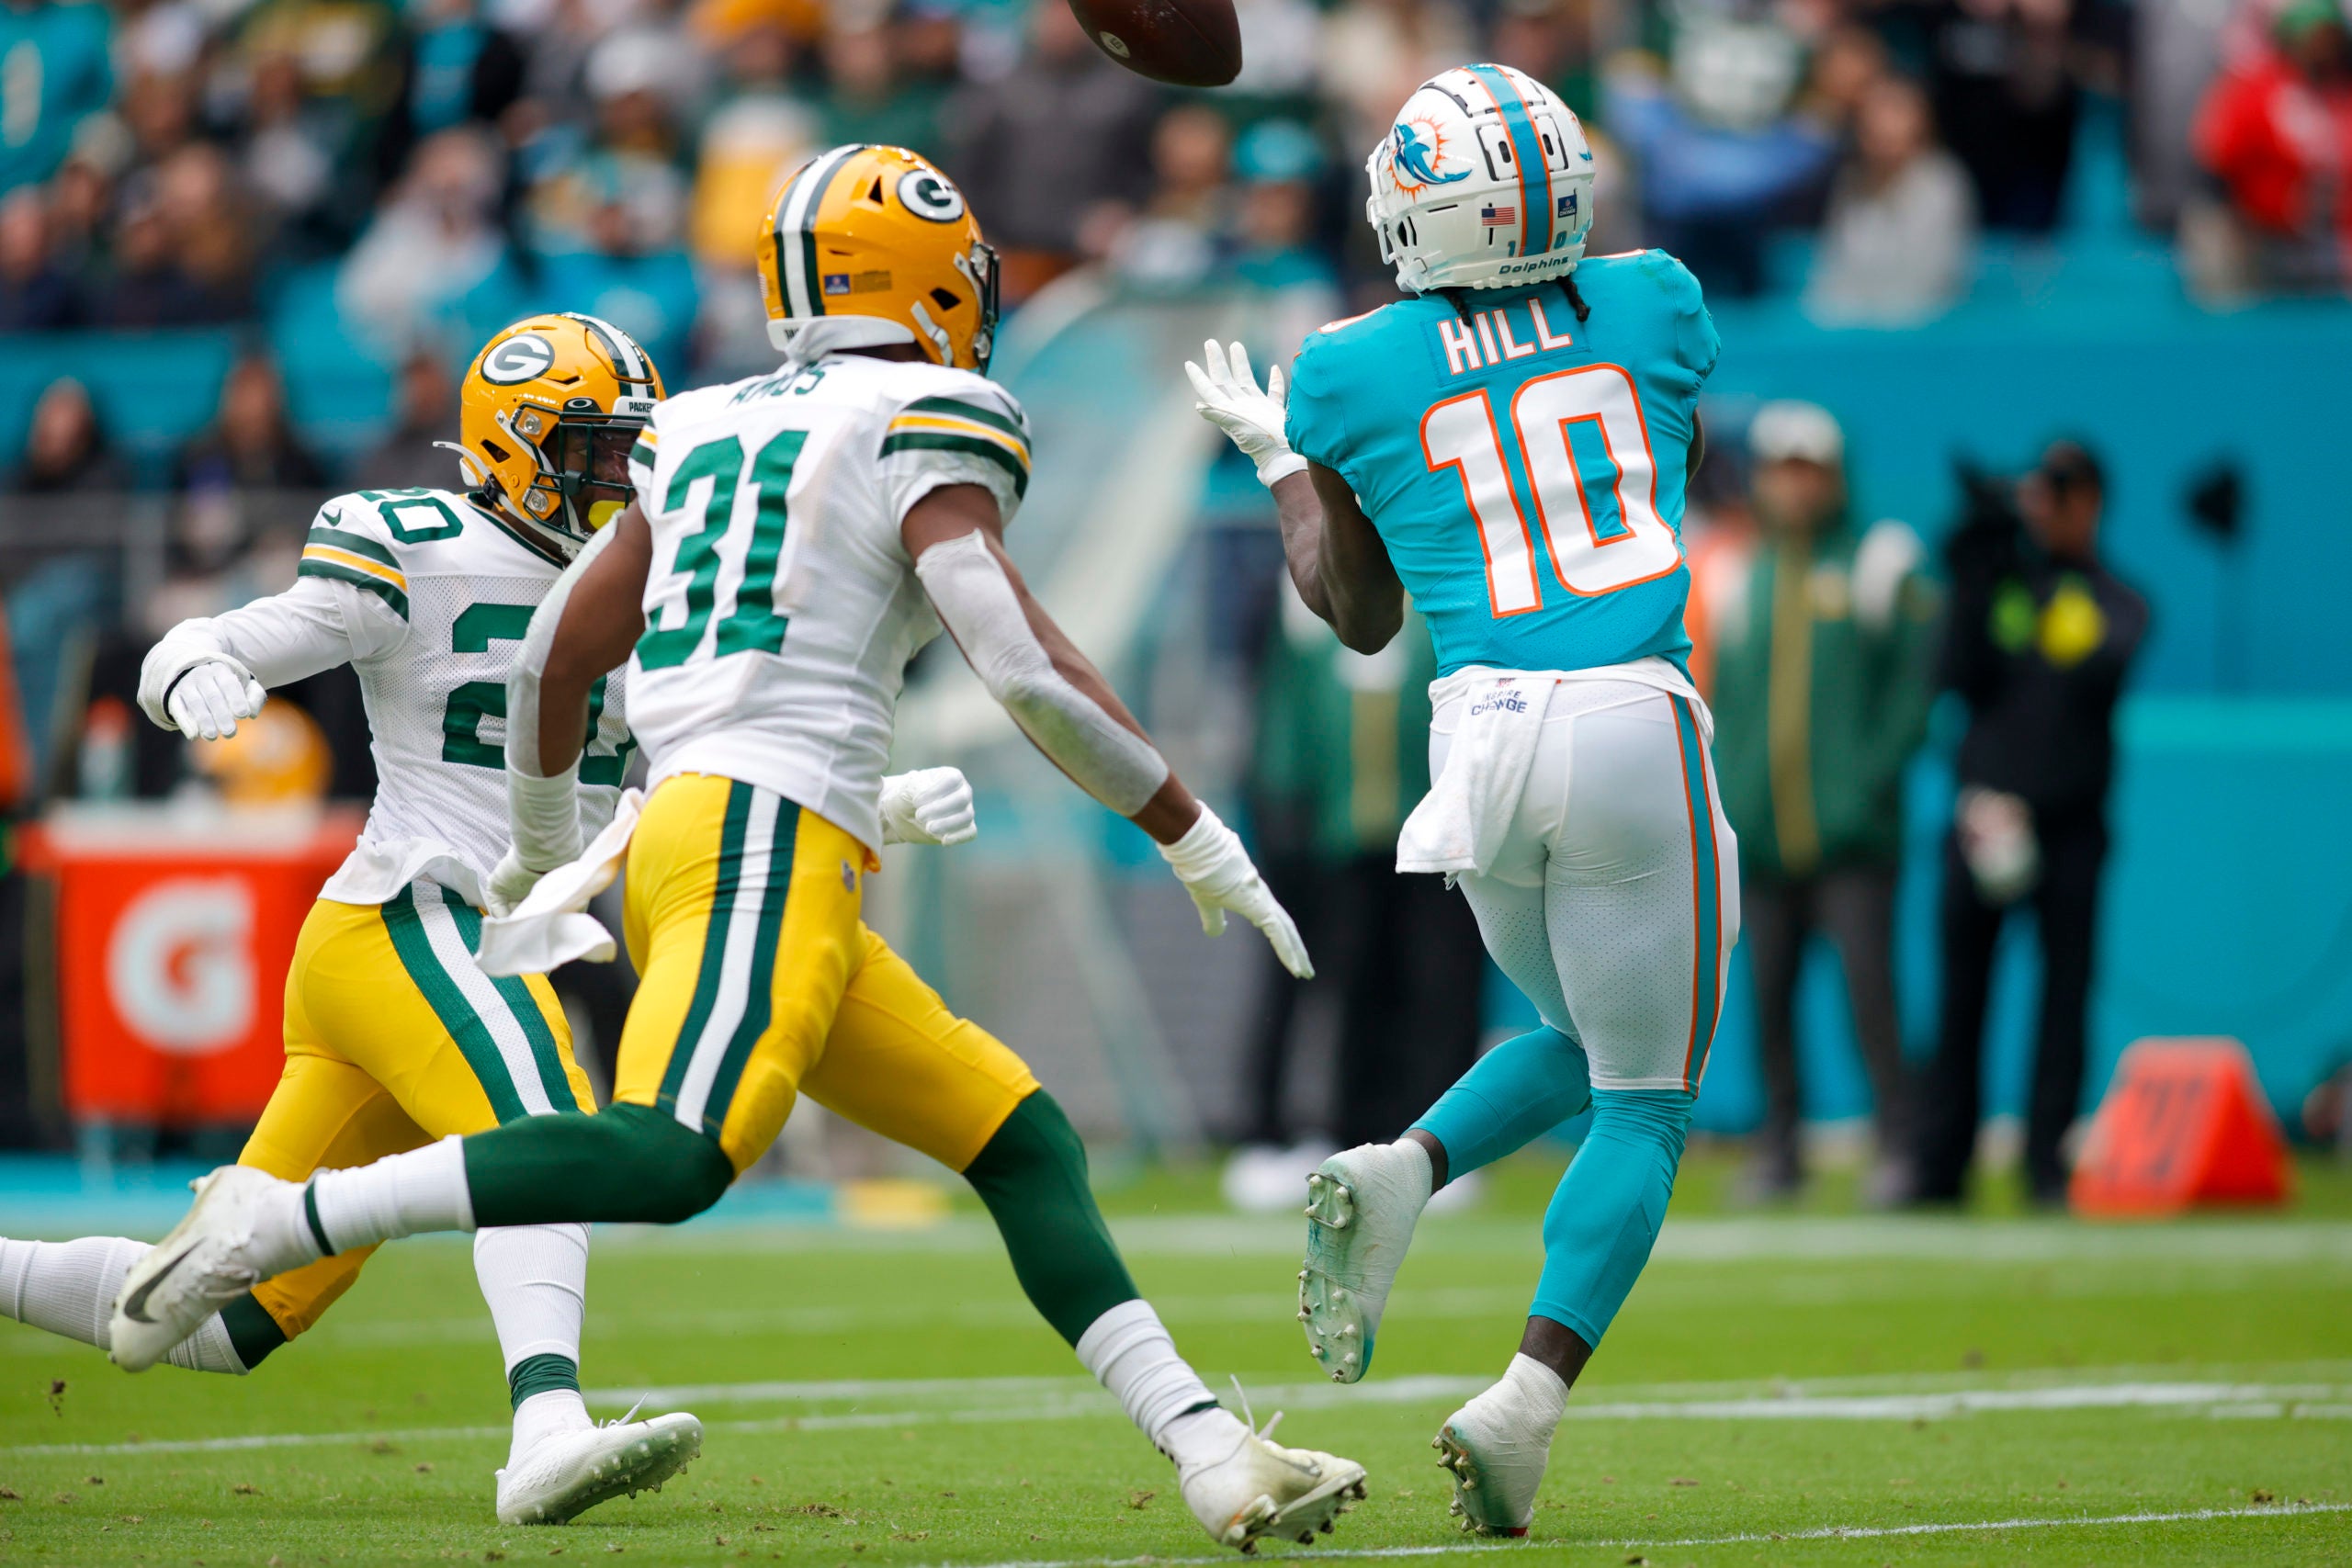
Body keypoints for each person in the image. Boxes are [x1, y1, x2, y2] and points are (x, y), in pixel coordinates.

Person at [107, 145, 1367, 1555]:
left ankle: (1210, 1450)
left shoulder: (697, 420)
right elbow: (1023, 668)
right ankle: (273, 1225)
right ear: (925, 279)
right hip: (760, 836)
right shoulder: (928, 405)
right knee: (671, 1156)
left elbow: (556, 660)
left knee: (1019, 1138)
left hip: (721, 834)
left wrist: (543, 858)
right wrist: (1194, 833)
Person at [0, 314, 716, 1528]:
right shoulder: (417, 542)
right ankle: (546, 1426)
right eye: (594, 450)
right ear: (515, 445)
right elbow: (221, 635)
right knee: (545, 1123)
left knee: (214, 1322)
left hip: (427, 950)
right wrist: (194, 670)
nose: (620, 477)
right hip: (412, 912)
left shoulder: (649, 577)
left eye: (629, 451)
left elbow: (701, 751)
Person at [1189, 63, 1734, 1536]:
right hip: (1628, 706)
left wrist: (1285, 466)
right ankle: (1526, 1402)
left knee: (1583, 1033)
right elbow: (1647, 462)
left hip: (1476, 733)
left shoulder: (1351, 367)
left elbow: (1355, 614)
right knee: (1651, 1092)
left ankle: (1404, 1161)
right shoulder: (1657, 300)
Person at [1704, 401, 1939, 1202]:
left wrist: (1865, 784)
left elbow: (1914, 692)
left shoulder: (1879, 561)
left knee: (1872, 997)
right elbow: (1723, 698)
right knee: (1768, 1006)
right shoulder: (1737, 573)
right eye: (1780, 469)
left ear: (1836, 475)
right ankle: (1780, 1148)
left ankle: (1900, 1146)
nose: (1794, 486)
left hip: (1852, 837)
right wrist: (1732, 798)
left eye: (1808, 469)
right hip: (1764, 835)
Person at [1912, 440, 2147, 1208]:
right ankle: (1941, 1163)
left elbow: (2093, 669)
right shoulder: (1998, 585)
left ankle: (2046, 1163)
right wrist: (1978, 559)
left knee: (2063, 998)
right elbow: (1951, 673)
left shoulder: (2115, 599)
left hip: (2070, 823)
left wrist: (2029, 588)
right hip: (1984, 820)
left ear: (2093, 503)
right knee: (1959, 999)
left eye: (2063, 492)